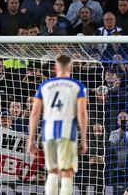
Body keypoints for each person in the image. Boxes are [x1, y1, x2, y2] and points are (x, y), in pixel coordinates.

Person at [28, 54, 87, 195]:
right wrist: (84, 140)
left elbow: (35, 113)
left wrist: (31, 139)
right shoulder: (77, 86)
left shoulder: (45, 85)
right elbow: (82, 113)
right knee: (66, 171)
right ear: (70, 67)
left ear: (55, 68)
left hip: (48, 132)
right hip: (67, 132)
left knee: (52, 171)